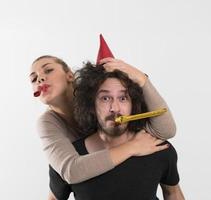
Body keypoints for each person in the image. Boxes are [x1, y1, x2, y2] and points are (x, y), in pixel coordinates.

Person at [49, 62, 184, 200]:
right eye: (105, 98)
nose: (115, 108)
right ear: (91, 105)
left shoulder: (157, 146)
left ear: (133, 104)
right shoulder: (69, 156)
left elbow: (172, 193)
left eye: (123, 98)